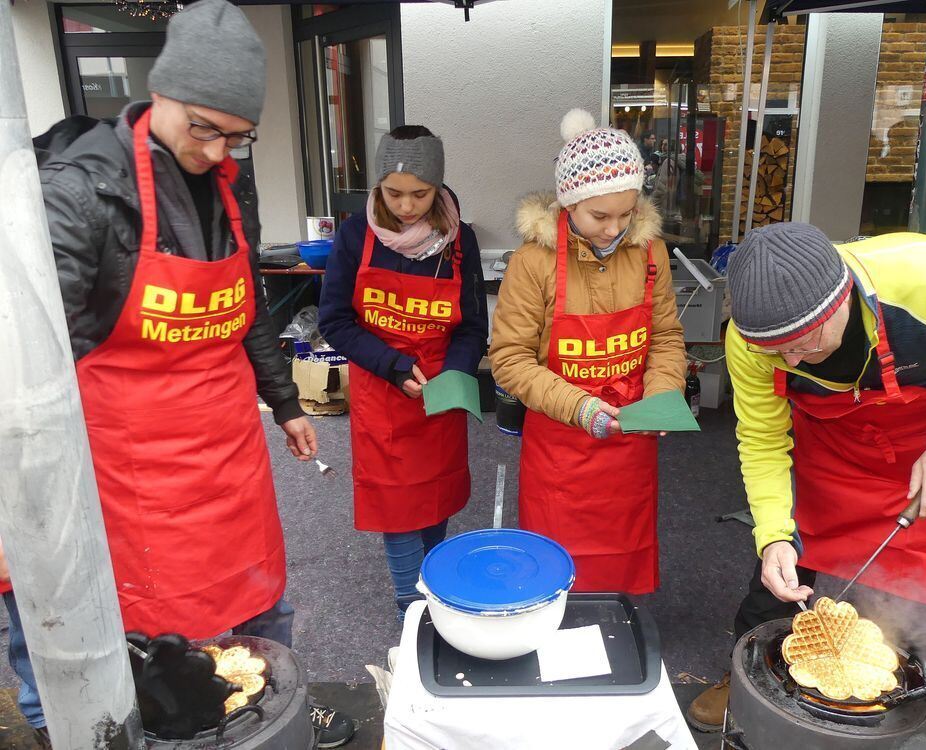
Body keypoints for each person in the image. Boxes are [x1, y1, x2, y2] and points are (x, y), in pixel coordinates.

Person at [4, 1, 353, 745]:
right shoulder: (81, 192)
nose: (219, 151)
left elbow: (248, 305)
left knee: (264, 607)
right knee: (162, 646)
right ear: (159, 93)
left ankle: (276, 709)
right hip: (136, 471)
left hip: (228, 449)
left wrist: (285, 400)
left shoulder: (230, 179)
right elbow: (28, 362)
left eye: (237, 134)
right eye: (204, 128)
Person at [686, 223, 926, 733]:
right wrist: (772, 537)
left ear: (839, 302)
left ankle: (881, 717)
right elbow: (763, 440)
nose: (790, 360)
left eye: (804, 344)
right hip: (831, 454)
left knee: (905, 607)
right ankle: (747, 684)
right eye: (775, 351)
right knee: (778, 581)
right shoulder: (749, 341)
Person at [490, 109, 687, 594]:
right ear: (568, 203)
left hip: (630, 448)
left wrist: (662, 395)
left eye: (626, 214)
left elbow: (664, 337)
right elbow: (510, 359)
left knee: (622, 567)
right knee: (558, 571)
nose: (613, 228)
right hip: (560, 447)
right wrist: (580, 407)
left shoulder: (650, 252)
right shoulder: (533, 262)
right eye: (599, 215)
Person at [318, 126, 488, 620]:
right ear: (377, 187)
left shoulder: (460, 242)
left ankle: (432, 588)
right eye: (394, 193)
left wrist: (454, 374)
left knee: (436, 500)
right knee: (396, 507)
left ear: (438, 187)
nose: (407, 206)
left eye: (420, 193)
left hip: (440, 394)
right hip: (382, 392)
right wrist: (392, 364)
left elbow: (473, 326)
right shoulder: (355, 237)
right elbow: (335, 321)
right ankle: (413, 610)